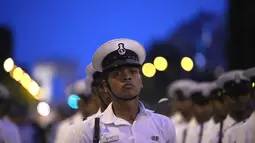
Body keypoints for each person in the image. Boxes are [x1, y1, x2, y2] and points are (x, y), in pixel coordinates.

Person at [64, 38, 176, 143]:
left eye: (133, 71)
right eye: (117, 74)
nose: (127, 77)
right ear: (105, 86)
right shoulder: (85, 131)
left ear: (141, 79)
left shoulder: (163, 125)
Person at [54, 79, 99, 143]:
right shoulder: (66, 126)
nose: (90, 105)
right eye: (87, 101)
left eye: (92, 100)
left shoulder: (103, 123)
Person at [214, 70, 253, 143]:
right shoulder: (214, 132)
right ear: (225, 98)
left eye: (243, 94)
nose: (239, 99)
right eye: (233, 96)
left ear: (250, 95)